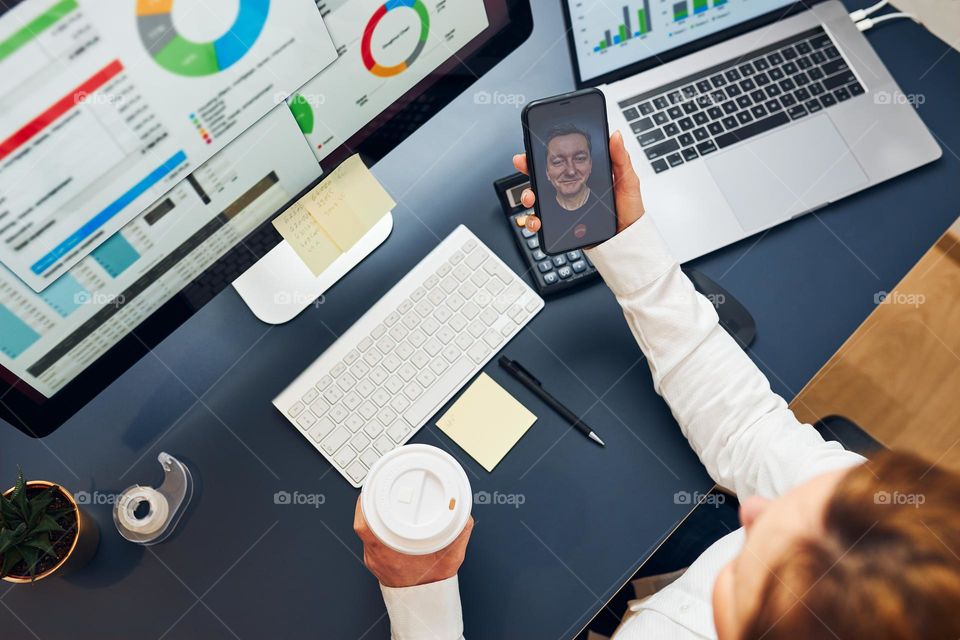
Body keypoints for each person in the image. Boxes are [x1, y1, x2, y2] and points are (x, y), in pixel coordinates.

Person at [354, 130, 960, 639]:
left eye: (765, 559)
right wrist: (627, 245)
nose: (748, 508)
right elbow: (751, 433)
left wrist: (419, 597)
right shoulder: (872, 529)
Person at [542, 124, 603, 213]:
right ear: (547, 171)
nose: (571, 171)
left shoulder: (610, 203)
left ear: (590, 164)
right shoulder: (543, 212)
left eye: (580, 158)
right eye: (558, 162)